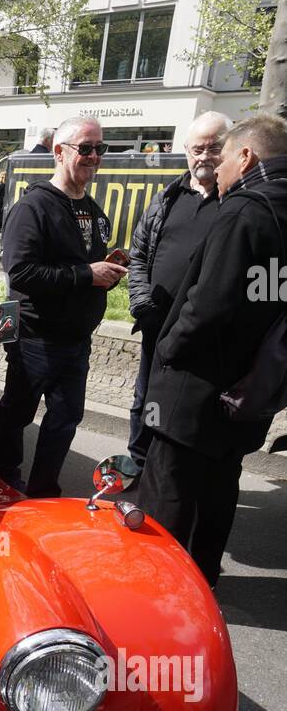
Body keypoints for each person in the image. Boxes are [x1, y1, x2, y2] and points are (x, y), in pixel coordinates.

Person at [138, 114, 287, 587]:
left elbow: (208, 304)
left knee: (170, 492)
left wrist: (167, 348)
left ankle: (162, 591)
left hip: (196, 389)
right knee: (220, 488)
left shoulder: (245, 210)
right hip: (251, 389)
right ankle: (201, 582)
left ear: (246, 157)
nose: (216, 169)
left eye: (222, 158)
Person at [0, 117, 125, 497]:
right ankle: (2, 479)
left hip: (77, 340)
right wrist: (86, 274)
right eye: (86, 148)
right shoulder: (33, 207)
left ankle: (43, 490)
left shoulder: (95, 212)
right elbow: (21, 272)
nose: (94, 156)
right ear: (59, 152)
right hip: (34, 336)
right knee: (17, 412)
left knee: (65, 420)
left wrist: (107, 272)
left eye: (100, 148)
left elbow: (87, 265)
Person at [126, 112, 231, 470]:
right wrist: (142, 304)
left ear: (229, 149)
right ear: (185, 151)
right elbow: (137, 255)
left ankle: (170, 475)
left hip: (205, 337)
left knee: (187, 409)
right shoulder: (167, 198)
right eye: (196, 149)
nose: (203, 156)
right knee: (144, 399)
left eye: (213, 147)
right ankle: (137, 468)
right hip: (157, 327)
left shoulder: (237, 203)